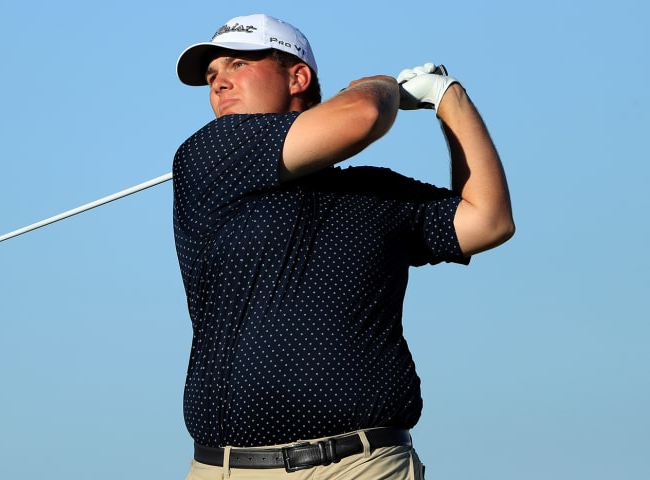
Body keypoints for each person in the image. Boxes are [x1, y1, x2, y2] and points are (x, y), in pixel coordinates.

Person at [172, 13, 514, 480]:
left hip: (362, 465)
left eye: (236, 65)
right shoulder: (209, 155)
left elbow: (489, 220)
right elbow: (364, 114)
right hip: (226, 468)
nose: (219, 84)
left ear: (298, 77)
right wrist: (381, 85)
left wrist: (448, 99)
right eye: (212, 76)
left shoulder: (375, 193)